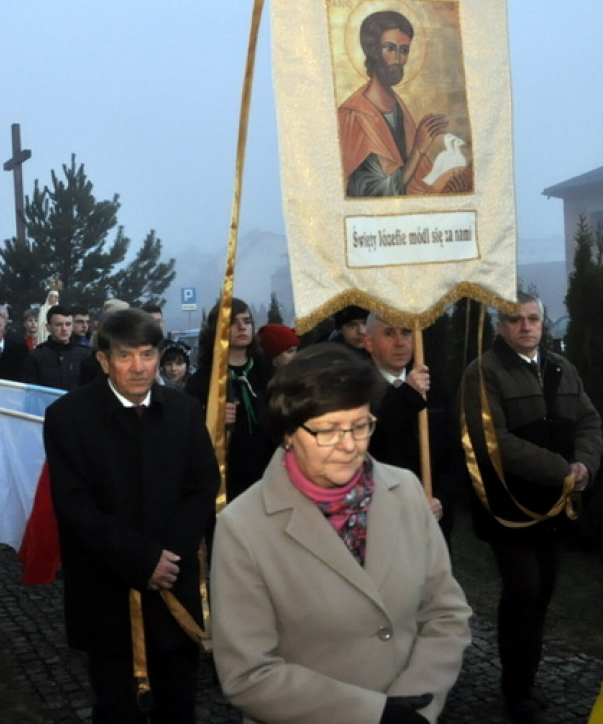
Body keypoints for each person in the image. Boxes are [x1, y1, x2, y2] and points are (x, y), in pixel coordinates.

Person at [211, 344, 472, 724]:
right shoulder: (243, 526)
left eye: (361, 425)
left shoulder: (406, 490)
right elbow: (249, 674)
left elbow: (446, 613)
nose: (349, 446)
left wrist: (416, 702)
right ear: (288, 432)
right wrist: (375, 714)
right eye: (329, 430)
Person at [44, 308, 220, 723]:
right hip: (107, 589)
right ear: (104, 360)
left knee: (178, 704)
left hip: (174, 585)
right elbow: (74, 504)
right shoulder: (68, 417)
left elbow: (201, 488)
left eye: (147, 354)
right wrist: (141, 560)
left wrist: (167, 557)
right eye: (125, 356)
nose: (138, 367)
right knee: (118, 705)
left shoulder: (184, 411)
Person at [461, 292, 602, 724]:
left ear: (543, 323)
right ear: (500, 326)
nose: (526, 326)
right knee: (522, 592)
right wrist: (561, 469)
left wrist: (585, 466)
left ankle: (528, 678)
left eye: (534, 318)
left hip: (556, 509)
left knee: (543, 594)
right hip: (508, 506)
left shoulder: (562, 367)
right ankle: (515, 688)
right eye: (516, 319)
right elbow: (494, 441)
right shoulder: (483, 372)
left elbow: (589, 422)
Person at [337, 10, 471, 197]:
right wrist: (418, 149)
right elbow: (373, 193)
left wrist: (445, 182)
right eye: (390, 48)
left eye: (404, 50)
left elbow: (417, 181)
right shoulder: (353, 116)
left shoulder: (397, 106)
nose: (398, 60)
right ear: (373, 50)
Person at [364, 313, 462, 545]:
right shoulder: (358, 389)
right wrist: (407, 396)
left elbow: (455, 450)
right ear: (369, 342)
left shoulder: (434, 385)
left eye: (406, 332)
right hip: (383, 520)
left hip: (434, 516)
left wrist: (442, 499)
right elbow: (372, 441)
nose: (401, 342)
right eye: (389, 333)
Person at [186, 298, 276, 501]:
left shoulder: (268, 372)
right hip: (226, 480)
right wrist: (213, 420)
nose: (242, 327)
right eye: (233, 322)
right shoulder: (202, 381)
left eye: (247, 321)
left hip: (268, 474)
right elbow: (189, 434)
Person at [23, 305, 91, 391]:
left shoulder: (85, 355)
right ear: (48, 327)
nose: (64, 329)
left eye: (68, 324)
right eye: (58, 324)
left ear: (72, 327)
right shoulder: (36, 356)